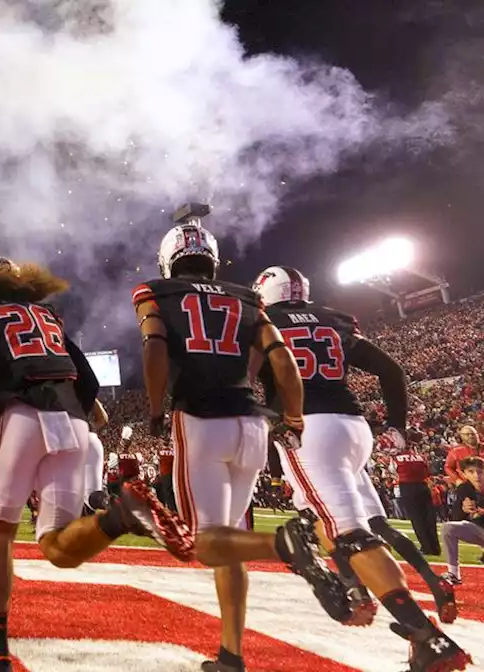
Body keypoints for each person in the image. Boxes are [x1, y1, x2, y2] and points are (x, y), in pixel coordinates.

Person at [0, 256, 193, 672]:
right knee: (58, 547)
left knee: (0, 534)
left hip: (21, 414)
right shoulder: (46, 314)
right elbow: (91, 382)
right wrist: (66, 416)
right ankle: (118, 515)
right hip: (73, 421)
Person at [133, 209, 350, 672]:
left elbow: (154, 345)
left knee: (206, 543)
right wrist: (292, 416)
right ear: (211, 258)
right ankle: (231, 654)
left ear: (169, 259)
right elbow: (282, 359)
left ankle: (287, 545)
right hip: (251, 425)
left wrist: (155, 409)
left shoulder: (156, 291)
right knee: (230, 544)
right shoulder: (248, 298)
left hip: (201, 418)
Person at [255, 265, 469, 670]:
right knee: (343, 521)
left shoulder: (262, 320)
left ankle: (426, 636)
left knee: (347, 532)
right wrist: (398, 428)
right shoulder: (332, 319)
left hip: (309, 428)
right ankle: (357, 590)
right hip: (354, 428)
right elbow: (391, 370)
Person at [441, 456, 484, 586]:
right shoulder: (464, 489)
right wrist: (464, 510)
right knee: (449, 528)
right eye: (471, 472)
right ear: (464, 474)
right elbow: (456, 518)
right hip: (479, 530)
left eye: (480, 472)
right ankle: (453, 573)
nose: (476, 475)